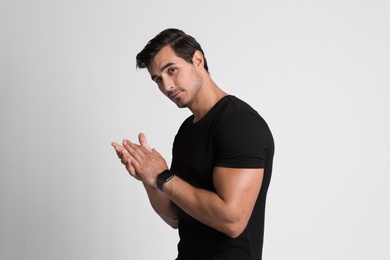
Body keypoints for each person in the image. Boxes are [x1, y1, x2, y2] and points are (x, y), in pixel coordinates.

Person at [112, 28, 274, 260]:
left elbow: (233, 220)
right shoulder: (187, 130)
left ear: (198, 60)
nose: (166, 86)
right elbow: (175, 217)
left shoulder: (239, 123)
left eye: (172, 70)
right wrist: (149, 178)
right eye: (158, 79)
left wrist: (162, 176)